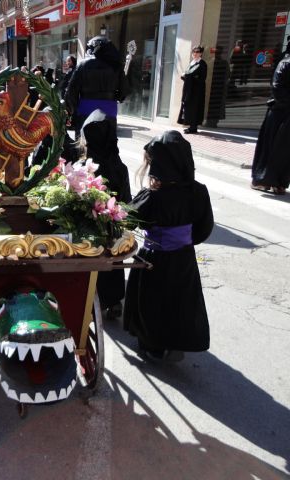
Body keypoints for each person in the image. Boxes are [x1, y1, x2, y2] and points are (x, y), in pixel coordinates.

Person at [123, 131, 214, 362]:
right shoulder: (199, 191)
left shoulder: (152, 197)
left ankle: (153, 345)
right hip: (184, 257)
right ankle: (177, 341)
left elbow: (125, 219)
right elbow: (204, 228)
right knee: (180, 301)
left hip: (155, 258)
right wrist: (183, 240)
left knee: (152, 302)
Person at [80, 109, 131, 319]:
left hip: (90, 226)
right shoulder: (120, 167)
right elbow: (127, 200)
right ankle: (115, 302)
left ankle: (96, 302)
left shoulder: (87, 168)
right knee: (114, 262)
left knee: (93, 263)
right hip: (114, 225)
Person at [251, 40, 290, 195]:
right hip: (279, 114)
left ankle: (280, 182)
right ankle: (261, 180)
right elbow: (277, 87)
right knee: (271, 148)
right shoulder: (285, 63)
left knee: (286, 152)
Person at [65, 36, 127, 133]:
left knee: (82, 141)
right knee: (108, 142)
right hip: (109, 108)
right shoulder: (116, 65)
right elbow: (124, 91)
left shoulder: (83, 64)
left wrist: (74, 109)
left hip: (86, 107)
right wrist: (117, 97)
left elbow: (71, 90)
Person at [177, 45, 207, 134]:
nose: (195, 53)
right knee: (188, 107)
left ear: (201, 53)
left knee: (194, 108)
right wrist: (185, 77)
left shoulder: (202, 64)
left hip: (196, 91)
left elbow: (201, 78)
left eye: (197, 52)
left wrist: (189, 77)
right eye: (193, 52)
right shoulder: (192, 63)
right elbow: (189, 75)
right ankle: (190, 126)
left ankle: (193, 127)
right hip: (189, 89)